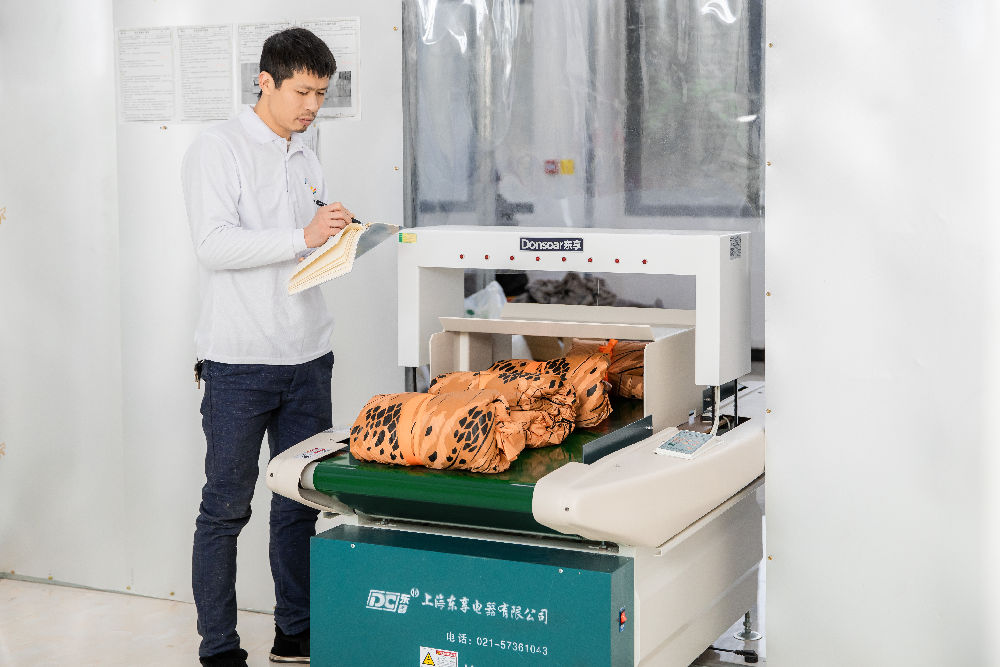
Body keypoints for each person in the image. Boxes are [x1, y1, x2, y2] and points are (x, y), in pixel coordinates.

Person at [181, 27, 353, 666]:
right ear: (266, 81)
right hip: (238, 362)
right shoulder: (218, 147)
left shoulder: (307, 150)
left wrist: (337, 242)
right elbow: (213, 246)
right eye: (303, 92)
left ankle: (295, 632)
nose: (312, 106)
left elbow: (300, 247)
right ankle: (219, 645)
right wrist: (303, 235)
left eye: (321, 94)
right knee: (225, 509)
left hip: (308, 357)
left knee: (298, 502)